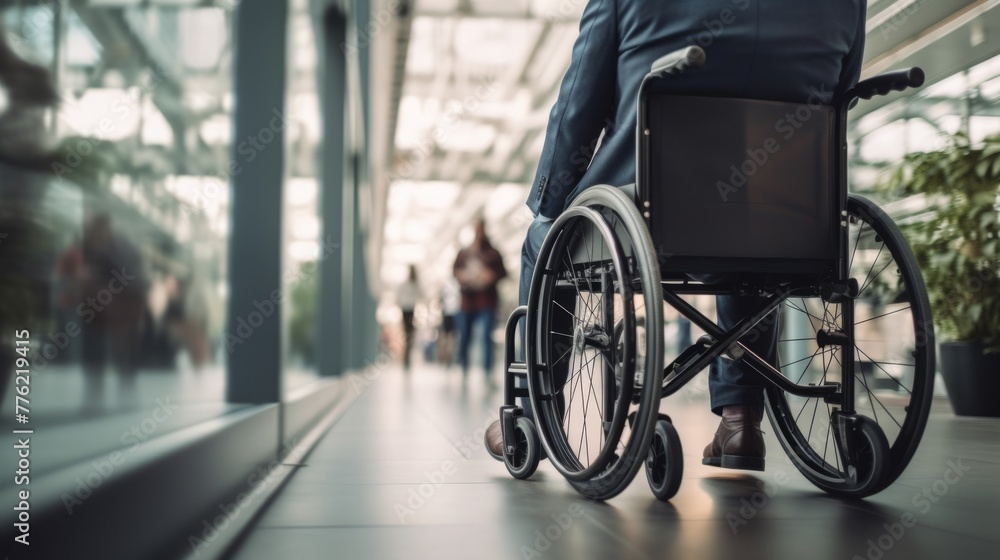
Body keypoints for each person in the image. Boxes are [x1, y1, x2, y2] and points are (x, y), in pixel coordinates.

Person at [486, 0, 867, 470]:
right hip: (787, 213)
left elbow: (576, 111)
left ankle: (535, 416)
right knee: (750, 236)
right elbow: (839, 96)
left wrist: (550, 202)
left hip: (650, 212)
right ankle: (741, 418)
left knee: (542, 239)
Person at [453, 219, 507, 379]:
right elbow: (455, 271)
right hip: (468, 302)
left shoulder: (493, 253)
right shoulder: (464, 253)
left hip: (487, 301)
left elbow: (503, 273)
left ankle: (487, 371)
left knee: (487, 337)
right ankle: (463, 368)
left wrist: (491, 276)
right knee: (465, 337)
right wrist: (462, 276)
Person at [396, 265, 424, 371]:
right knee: (409, 333)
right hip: (409, 310)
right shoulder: (414, 284)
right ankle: (406, 355)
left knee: (408, 333)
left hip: (407, 310)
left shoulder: (411, 284)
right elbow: (422, 296)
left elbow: (398, 297)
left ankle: (407, 356)